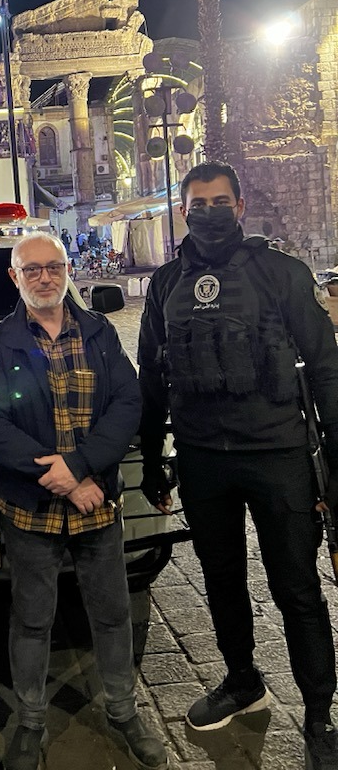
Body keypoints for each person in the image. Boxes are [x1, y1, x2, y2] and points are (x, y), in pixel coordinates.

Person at [138, 162, 338, 768]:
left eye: (220, 201)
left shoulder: (281, 273)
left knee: (297, 586)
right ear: (183, 210)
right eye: (198, 204)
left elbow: (326, 368)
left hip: (278, 456)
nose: (209, 212)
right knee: (221, 580)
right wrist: (153, 459)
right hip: (202, 461)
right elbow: (152, 375)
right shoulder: (166, 283)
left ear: (241, 205)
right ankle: (241, 679)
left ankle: (320, 711)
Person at [0, 232, 168, 770]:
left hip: (96, 503)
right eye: (31, 269)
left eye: (52, 266)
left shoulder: (100, 332)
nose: (43, 276)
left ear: (67, 271)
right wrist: (60, 479)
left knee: (110, 613)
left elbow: (128, 402)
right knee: (32, 618)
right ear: (15, 277)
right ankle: (31, 720)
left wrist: (80, 470)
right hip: (32, 509)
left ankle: (124, 709)